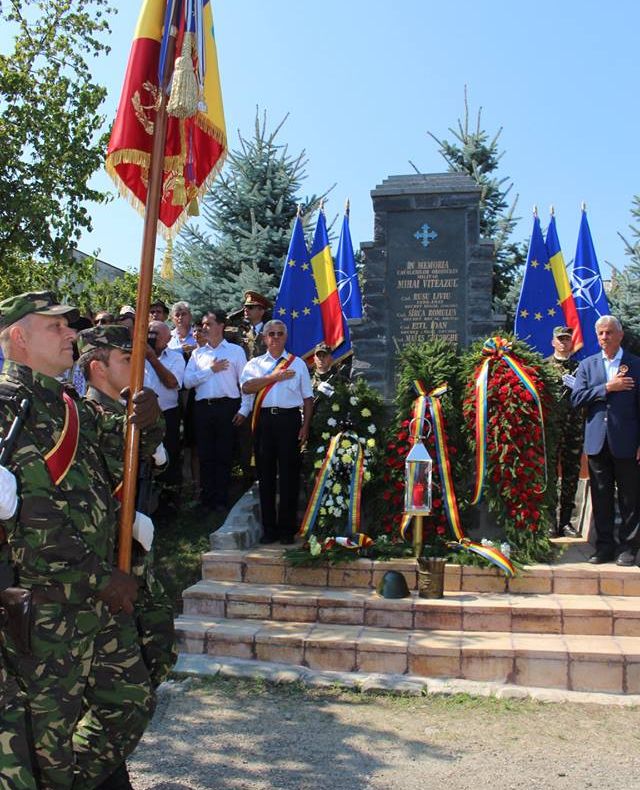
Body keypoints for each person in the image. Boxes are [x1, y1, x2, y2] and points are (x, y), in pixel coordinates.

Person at [0, 291, 162, 788]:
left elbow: (120, 454)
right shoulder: (9, 407)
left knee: (129, 701)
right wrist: (104, 578)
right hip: (47, 608)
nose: (72, 333)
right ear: (19, 337)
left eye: (70, 326)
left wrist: (147, 425)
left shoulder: (63, 402)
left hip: (92, 600)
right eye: (56, 327)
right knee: (42, 739)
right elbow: (34, 521)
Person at [76, 324, 177, 789]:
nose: (135, 369)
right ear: (97, 367)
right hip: (107, 562)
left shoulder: (124, 410)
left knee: (155, 653)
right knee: (120, 685)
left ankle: (109, 770)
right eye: (124, 359)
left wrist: (151, 423)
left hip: (137, 552)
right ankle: (91, 775)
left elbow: (155, 459)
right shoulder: (83, 416)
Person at [571, 315, 640, 565]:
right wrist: (607, 389)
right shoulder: (588, 365)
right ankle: (604, 547)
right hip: (597, 442)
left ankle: (629, 548)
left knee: (630, 497)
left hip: (627, 443)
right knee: (601, 496)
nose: (604, 337)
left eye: (609, 332)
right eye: (600, 333)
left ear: (620, 335)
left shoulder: (635, 364)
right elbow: (577, 398)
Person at [241, 319, 313, 544]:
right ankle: (269, 529)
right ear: (264, 338)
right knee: (266, 476)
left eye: (280, 333)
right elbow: (246, 387)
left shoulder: (297, 363)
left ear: (286, 337)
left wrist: (305, 425)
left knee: (290, 476)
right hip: (264, 421)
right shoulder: (254, 364)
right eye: (271, 333)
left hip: (289, 420)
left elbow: (308, 399)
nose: (275, 337)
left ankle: (286, 530)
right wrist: (274, 378)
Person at [184, 311, 250, 513]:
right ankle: (207, 499)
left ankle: (221, 499)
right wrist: (210, 370)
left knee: (224, 454)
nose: (204, 327)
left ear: (221, 325)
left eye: (209, 324)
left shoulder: (235, 351)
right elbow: (187, 382)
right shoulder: (198, 354)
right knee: (205, 455)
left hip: (227, 406)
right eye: (203, 324)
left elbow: (245, 383)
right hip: (203, 408)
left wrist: (244, 408)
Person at [545, 326, 584, 538]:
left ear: (572, 342)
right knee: (550, 474)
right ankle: (550, 520)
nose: (563, 342)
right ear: (553, 342)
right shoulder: (544, 367)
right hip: (552, 429)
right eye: (559, 339)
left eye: (567, 339)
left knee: (571, 474)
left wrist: (580, 387)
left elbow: (588, 395)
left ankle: (566, 521)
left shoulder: (581, 368)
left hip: (574, 428)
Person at [145, 320, 186, 513]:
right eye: (149, 332)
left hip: (167, 414)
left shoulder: (176, 358)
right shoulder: (137, 356)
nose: (151, 337)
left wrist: (153, 359)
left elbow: (172, 383)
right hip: (144, 416)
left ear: (169, 338)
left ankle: (168, 504)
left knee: (169, 457)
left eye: (156, 334)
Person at [241, 291, 272, 359]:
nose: (246, 309)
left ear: (261, 311)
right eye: (245, 307)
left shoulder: (270, 332)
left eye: (250, 307)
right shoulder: (241, 331)